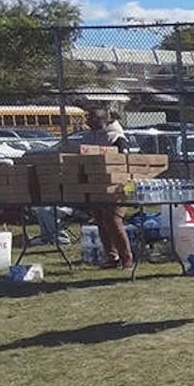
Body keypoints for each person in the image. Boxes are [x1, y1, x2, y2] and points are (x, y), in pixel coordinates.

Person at [67, 107, 135, 270]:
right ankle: (112, 257)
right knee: (100, 220)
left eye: (92, 118)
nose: (88, 122)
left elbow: (125, 162)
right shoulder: (89, 137)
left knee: (113, 220)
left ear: (102, 120)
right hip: (96, 185)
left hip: (119, 186)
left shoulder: (116, 137)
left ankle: (127, 259)